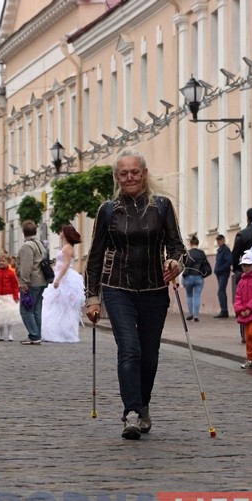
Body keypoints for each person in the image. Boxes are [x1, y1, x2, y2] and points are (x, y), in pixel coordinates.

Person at [85, 148, 187, 440]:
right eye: (123, 173)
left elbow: (177, 246)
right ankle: (130, 412)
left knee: (149, 356)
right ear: (116, 177)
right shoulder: (108, 210)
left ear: (144, 173)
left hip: (155, 289)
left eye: (135, 172)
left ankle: (143, 405)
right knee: (129, 349)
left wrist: (175, 262)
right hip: (117, 288)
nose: (129, 177)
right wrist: (92, 297)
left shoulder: (162, 206)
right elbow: (95, 256)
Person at [41, 225, 85, 343]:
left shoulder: (67, 247)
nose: (60, 233)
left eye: (61, 231)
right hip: (60, 275)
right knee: (57, 305)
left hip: (64, 278)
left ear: (65, 234)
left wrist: (59, 279)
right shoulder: (66, 247)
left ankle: (64, 332)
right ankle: (56, 331)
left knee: (63, 305)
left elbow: (66, 264)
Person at [232, 207, 252, 342]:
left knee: (244, 299)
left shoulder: (242, 234)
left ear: (248, 218)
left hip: (245, 273)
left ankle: (245, 335)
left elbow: (235, 255)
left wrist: (237, 270)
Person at [17, 220, 48, 346]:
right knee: (36, 310)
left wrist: (24, 282)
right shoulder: (39, 244)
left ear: (23, 232)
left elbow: (26, 266)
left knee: (26, 309)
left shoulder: (27, 246)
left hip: (32, 282)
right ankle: (37, 334)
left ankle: (34, 335)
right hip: (41, 280)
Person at [235, 251, 252, 369]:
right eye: (244, 265)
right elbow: (238, 297)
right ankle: (251, 359)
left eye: (249, 265)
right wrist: (240, 309)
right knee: (248, 338)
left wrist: (250, 308)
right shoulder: (242, 280)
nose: (246, 267)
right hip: (245, 315)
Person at [0, 252, 20, 341]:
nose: (1, 262)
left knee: (9, 316)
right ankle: (1, 334)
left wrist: (15, 296)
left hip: (8, 297)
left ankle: (10, 334)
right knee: (0, 316)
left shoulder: (11, 273)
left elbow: (15, 285)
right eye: (0, 261)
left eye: (4, 261)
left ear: (8, 262)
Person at [181, 234, 210, 322]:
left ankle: (190, 314)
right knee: (197, 296)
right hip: (199, 277)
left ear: (190, 243)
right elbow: (205, 265)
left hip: (188, 277)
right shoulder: (201, 253)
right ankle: (196, 315)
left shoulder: (187, 253)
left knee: (189, 296)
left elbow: (183, 265)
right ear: (197, 243)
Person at [213, 234, 232, 318]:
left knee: (221, 291)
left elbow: (229, 262)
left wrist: (220, 269)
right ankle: (223, 310)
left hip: (224, 273)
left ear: (223, 240)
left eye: (220, 240)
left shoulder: (226, 250)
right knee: (221, 291)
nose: (219, 241)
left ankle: (224, 311)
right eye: (217, 240)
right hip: (219, 273)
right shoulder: (219, 250)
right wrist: (216, 270)